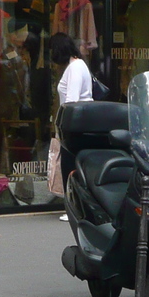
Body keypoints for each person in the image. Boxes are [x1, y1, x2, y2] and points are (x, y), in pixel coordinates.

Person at [49, 32, 93, 219]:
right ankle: (76, 204)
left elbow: (71, 100)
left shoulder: (74, 68)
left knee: (70, 164)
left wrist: (61, 125)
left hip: (74, 124)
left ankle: (75, 206)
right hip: (81, 122)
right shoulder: (79, 65)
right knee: (75, 164)